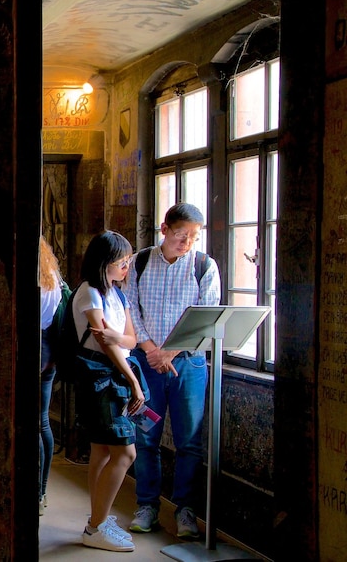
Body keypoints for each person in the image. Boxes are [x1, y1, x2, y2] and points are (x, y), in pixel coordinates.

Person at [125, 202, 221, 539]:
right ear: (164, 230)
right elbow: (130, 309)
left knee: (189, 442)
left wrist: (170, 351)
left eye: (194, 238)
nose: (187, 244)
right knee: (145, 436)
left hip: (188, 363)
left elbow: (205, 316)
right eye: (182, 236)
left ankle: (185, 511)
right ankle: (147, 505)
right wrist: (152, 350)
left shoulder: (204, 266)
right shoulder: (139, 262)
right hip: (147, 363)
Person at [73, 230, 146, 552]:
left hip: (117, 370)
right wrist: (132, 381)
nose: (126, 268)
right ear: (104, 264)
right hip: (101, 375)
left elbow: (129, 340)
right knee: (125, 452)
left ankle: (99, 520)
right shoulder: (90, 292)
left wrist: (118, 338)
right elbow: (106, 342)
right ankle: (94, 528)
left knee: (103, 451)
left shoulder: (118, 295)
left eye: (128, 262)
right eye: (121, 262)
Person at [38, 236, 63, 516]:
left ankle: (35, 491)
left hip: (34, 344)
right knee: (42, 421)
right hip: (49, 346)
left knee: (33, 423)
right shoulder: (51, 272)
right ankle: (41, 491)